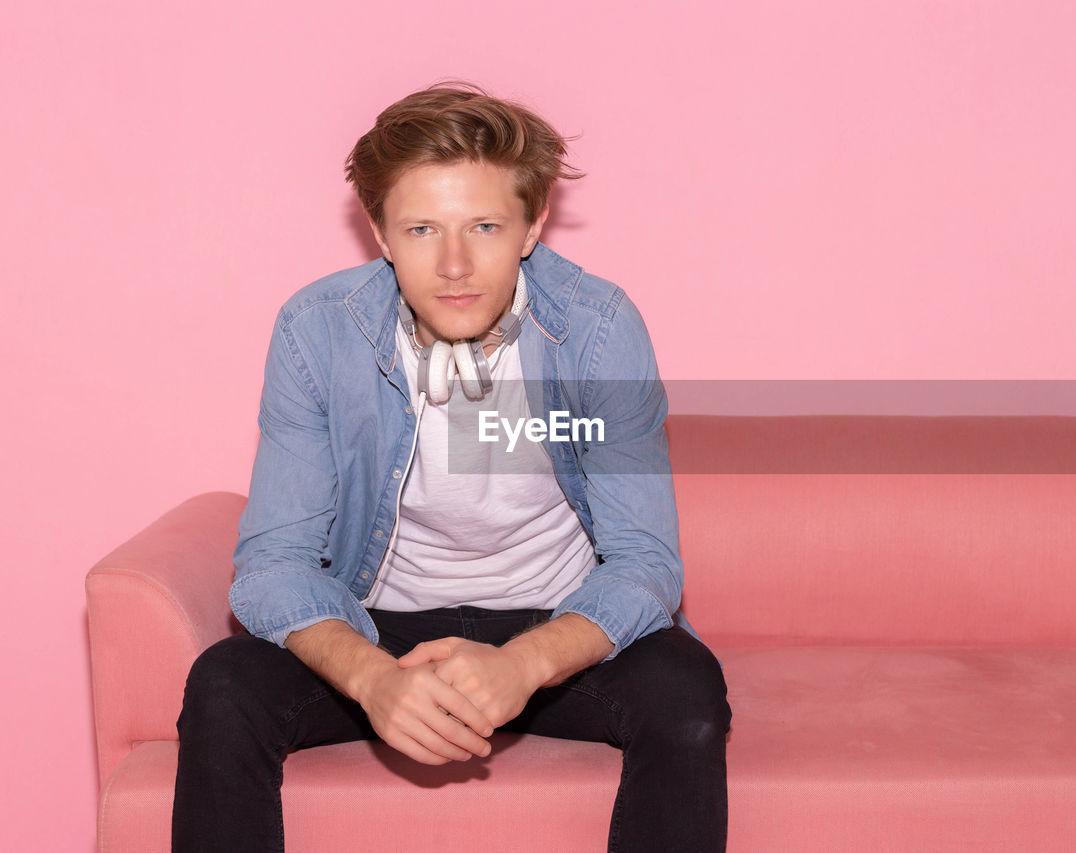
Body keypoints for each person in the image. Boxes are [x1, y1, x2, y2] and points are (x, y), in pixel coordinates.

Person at [171, 82, 731, 852]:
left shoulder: (600, 330)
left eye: (487, 225)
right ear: (380, 231)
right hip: (379, 626)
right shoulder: (316, 331)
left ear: (533, 225)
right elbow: (271, 563)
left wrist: (522, 664)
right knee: (224, 685)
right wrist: (372, 677)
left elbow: (646, 564)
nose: (456, 263)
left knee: (686, 690)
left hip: (552, 620)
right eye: (424, 228)